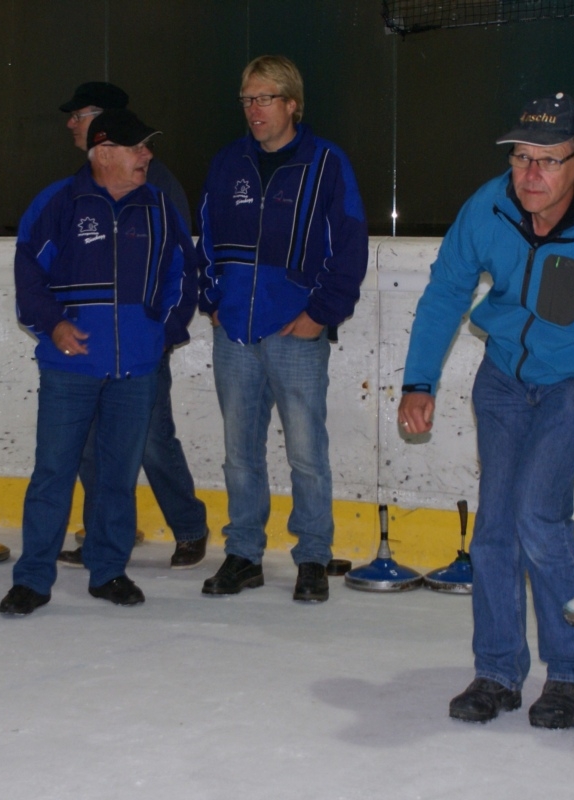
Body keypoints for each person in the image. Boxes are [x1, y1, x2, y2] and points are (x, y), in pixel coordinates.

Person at [397, 93, 574, 728]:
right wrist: (418, 380)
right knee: (495, 526)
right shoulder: (488, 208)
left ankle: (573, 672)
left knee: (538, 514)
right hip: (503, 381)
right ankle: (497, 670)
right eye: (520, 157)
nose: (530, 175)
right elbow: (446, 291)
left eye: (548, 160)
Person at [0, 109, 198, 615]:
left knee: (117, 476)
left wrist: (162, 333)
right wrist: (54, 325)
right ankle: (33, 579)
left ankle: (108, 570)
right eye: (137, 147)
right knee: (54, 472)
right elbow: (28, 275)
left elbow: (183, 273)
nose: (148, 155)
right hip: (70, 369)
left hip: (136, 370)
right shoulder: (58, 203)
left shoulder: (159, 206)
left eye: (148, 146)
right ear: (104, 153)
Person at [196, 55, 369, 603]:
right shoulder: (228, 163)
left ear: (292, 104)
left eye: (265, 98)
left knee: (306, 454)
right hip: (235, 334)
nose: (254, 109)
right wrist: (212, 300)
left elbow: (350, 247)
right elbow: (204, 237)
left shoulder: (326, 163)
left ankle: (313, 556)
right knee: (239, 453)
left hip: (296, 333)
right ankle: (243, 554)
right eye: (247, 99)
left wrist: (320, 315)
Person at [56, 81, 209, 570]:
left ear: (103, 122)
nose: (70, 124)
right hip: (91, 345)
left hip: (140, 345)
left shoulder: (155, 183)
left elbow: (180, 266)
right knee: (90, 445)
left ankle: (189, 526)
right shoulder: (78, 186)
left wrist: (161, 332)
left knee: (150, 439)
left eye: (79, 114)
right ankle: (104, 534)